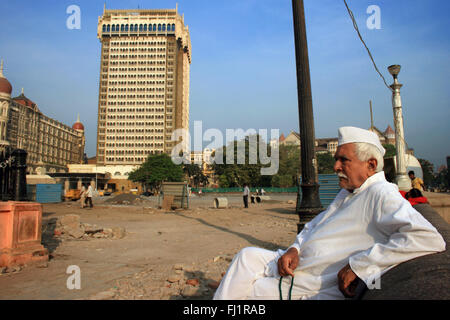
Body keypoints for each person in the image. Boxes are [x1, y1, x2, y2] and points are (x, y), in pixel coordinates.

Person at [213, 126, 445, 300]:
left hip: (311, 285)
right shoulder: (348, 193)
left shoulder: (382, 194)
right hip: (296, 263)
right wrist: (295, 247)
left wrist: (360, 265)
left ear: (371, 165)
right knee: (246, 257)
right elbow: (314, 226)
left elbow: (427, 237)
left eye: (344, 160)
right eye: (336, 160)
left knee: (247, 291)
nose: (335, 167)